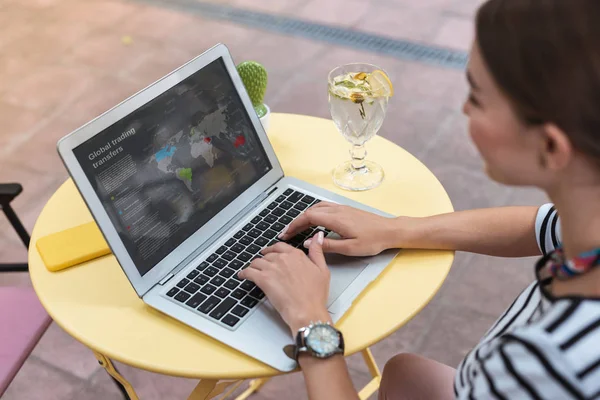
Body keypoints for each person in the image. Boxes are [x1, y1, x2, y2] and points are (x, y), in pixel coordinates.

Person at [238, 0, 600, 398]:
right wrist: (394, 228)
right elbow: (543, 226)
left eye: (477, 97)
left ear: (551, 145)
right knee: (404, 373)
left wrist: (311, 322)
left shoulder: (546, 361)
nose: (463, 108)